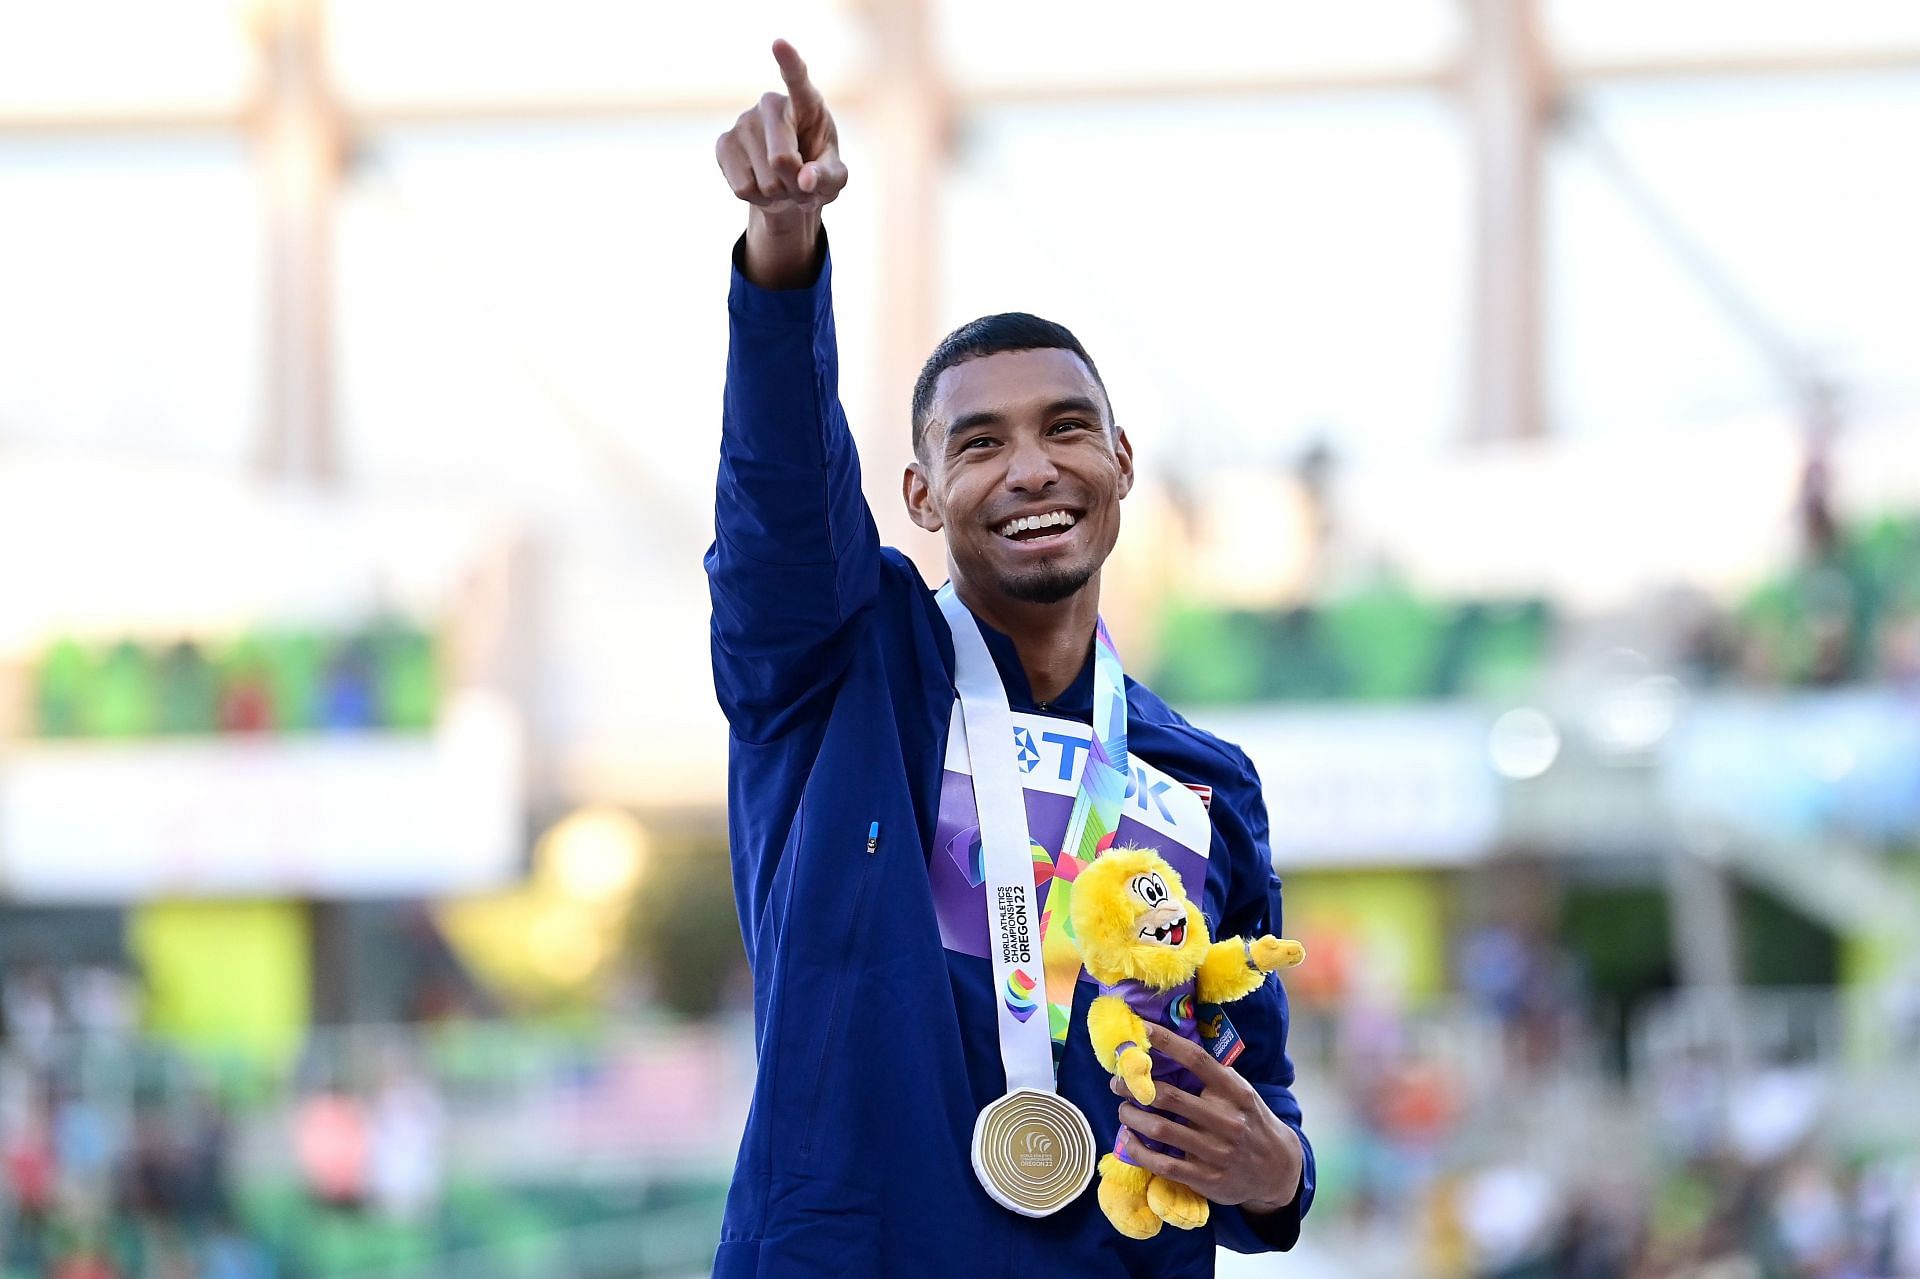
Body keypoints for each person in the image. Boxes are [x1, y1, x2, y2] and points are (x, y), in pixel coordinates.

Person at [707, 40, 1313, 1277]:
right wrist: (784, 253)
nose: (1032, 467)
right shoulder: (839, 675)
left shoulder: (1205, 786)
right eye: (981, 444)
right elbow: (778, 501)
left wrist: (1284, 1174)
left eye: (1066, 428)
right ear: (923, 496)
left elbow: (1259, 1105)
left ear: (1123, 464)